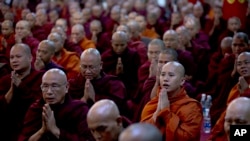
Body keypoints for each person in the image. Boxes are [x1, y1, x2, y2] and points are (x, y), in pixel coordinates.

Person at [18, 68, 94, 141]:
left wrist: (55, 130)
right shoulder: (36, 109)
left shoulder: (79, 109)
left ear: (67, 87)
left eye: (54, 86)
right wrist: (42, 131)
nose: (49, 92)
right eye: (45, 86)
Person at [141, 61, 202, 141]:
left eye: (171, 75)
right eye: (163, 75)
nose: (165, 79)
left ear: (182, 81)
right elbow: (143, 134)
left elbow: (187, 137)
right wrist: (157, 111)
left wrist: (166, 113)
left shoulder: (191, 107)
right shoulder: (153, 103)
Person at [0, 43, 44, 141]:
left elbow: (38, 103)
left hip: (31, 127)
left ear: (30, 58)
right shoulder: (4, 80)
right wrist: (12, 89)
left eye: (18, 57)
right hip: (7, 128)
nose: (14, 60)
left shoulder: (41, 78)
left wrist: (21, 86)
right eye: (11, 58)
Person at [68, 48, 127, 116]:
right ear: (80, 66)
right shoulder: (74, 83)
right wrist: (83, 100)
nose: (87, 71)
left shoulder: (113, 84)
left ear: (100, 65)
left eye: (91, 67)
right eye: (84, 67)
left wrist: (94, 97)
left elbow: (119, 108)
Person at [208, 51, 250, 141]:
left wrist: (246, 93)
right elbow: (226, 113)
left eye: (247, 63)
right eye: (239, 64)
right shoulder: (236, 87)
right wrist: (214, 133)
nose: (243, 66)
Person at [101, 31, 141, 107]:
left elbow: (137, 78)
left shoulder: (133, 55)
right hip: (110, 91)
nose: (119, 48)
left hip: (129, 90)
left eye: (122, 45)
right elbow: (102, 78)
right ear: (111, 43)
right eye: (116, 45)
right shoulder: (105, 56)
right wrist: (115, 73)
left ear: (127, 43)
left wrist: (124, 73)